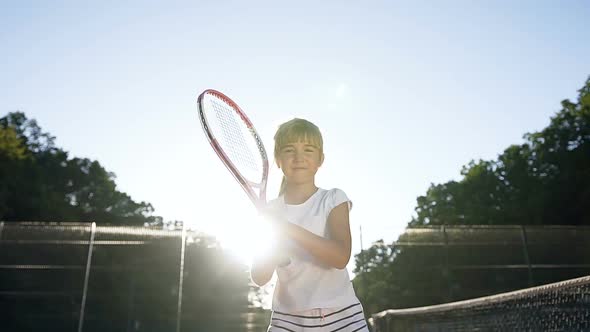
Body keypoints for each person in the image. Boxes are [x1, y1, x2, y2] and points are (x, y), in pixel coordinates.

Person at [251, 118, 369, 332]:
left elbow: (340, 257)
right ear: (277, 159)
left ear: (320, 159)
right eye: (289, 150)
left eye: (308, 150)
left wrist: (285, 227)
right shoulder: (270, 212)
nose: (298, 158)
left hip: (342, 318)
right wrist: (273, 250)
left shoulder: (334, 199)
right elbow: (259, 276)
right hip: (287, 321)